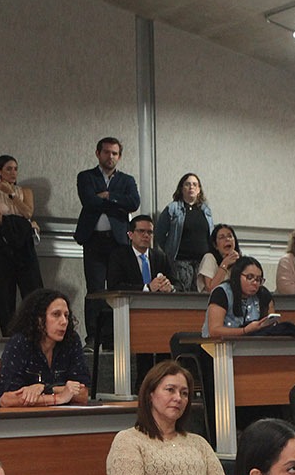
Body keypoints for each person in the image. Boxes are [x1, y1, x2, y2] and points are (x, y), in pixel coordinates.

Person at [106, 361, 229, 475]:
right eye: (170, 390)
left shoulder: (199, 442)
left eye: (184, 393)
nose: (178, 398)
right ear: (150, 395)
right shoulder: (128, 440)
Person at [74, 137, 140, 349]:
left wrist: (109, 195)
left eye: (114, 153)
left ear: (119, 156)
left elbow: (134, 203)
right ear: (98, 154)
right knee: (94, 290)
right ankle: (93, 338)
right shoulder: (86, 176)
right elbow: (89, 201)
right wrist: (117, 202)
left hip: (118, 242)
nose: (110, 156)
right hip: (93, 240)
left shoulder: (127, 180)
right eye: (106, 152)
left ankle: (112, 338)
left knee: (117, 290)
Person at [0, 288, 91, 407]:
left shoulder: (71, 341)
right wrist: (59, 397)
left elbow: (82, 394)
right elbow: (7, 399)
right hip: (24, 417)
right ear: (39, 319)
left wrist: (45, 388)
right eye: (56, 315)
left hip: (62, 416)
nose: (64, 321)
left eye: (66, 316)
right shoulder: (20, 342)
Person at [0, 156, 43, 333]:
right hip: (1, 243)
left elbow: (28, 212)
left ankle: (35, 331)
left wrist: (12, 195)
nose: (13, 172)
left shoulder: (26, 191)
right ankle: (9, 334)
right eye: (8, 169)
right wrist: (26, 223)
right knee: (4, 292)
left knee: (33, 289)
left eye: (15, 169)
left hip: (24, 242)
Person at [153, 173, 213, 293]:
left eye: (195, 184)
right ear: (181, 188)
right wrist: (169, 249)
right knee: (183, 295)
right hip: (181, 262)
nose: (191, 187)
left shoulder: (206, 210)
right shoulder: (173, 208)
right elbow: (159, 233)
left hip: (202, 263)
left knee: (201, 296)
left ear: (199, 190)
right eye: (187, 184)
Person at [202, 256, 276, 338]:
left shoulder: (263, 294)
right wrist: (244, 331)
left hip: (252, 344)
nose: (255, 283)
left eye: (258, 279)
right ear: (237, 276)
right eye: (249, 277)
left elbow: (271, 325)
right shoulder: (221, 292)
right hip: (217, 344)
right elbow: (214, 331)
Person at [109, 214, 174, 293]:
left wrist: (170, 287)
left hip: (159, 300)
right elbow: (114, 286)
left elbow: (178, 285)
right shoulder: (119, 256)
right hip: (131, 300)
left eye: (150, 232)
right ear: (130, 235)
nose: (146, 235)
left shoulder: (161, 257)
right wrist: (147, 288)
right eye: (141, 231)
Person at [196, 223, 243, 292]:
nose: (227, 239)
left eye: (230, 236)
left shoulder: (241, 261)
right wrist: (225, 263)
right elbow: (210, 289)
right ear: (215, 245)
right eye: (222, 237)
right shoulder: (209, 258)